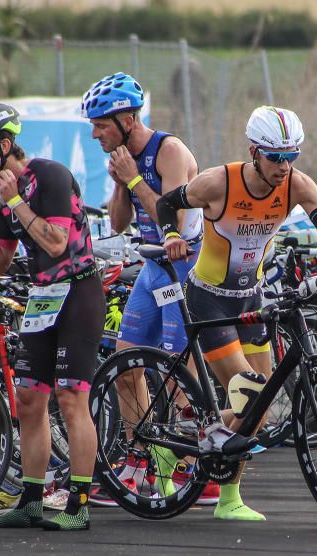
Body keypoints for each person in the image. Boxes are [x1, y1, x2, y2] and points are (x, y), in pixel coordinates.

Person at [155, 105, 317, 521]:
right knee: (249, 391)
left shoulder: (297, 185)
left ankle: (225, 494)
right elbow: (164, 205)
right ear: (254, 152)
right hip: (209, 297)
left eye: (292, 156)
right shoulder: (218, 183)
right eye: (276, 157)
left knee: (262, 406)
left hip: (252, 297)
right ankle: (175, 447)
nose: (285, 166)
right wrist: (173, 233)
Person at [0, 102, 106, 531]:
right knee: (27, 401)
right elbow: (0, 263)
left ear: (5, 144)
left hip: (79, 292)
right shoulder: (4, 193)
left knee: (72, 399)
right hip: (43, 296)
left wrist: (16, 200)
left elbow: (57, 243)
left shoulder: (49, 176)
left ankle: (78, 504)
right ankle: (32, 500)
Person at [80, 73, 220, 505]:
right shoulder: (126, 160)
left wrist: (134, 178)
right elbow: (119, 223)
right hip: (153, 267)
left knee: (180, 372)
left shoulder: (169, 150)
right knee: (126, 363)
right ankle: (140, 456)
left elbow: (173, 218)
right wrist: (122, 180)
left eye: (101, 124)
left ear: (126, 118)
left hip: (186, 265)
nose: (95, 133)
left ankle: (201, 467)